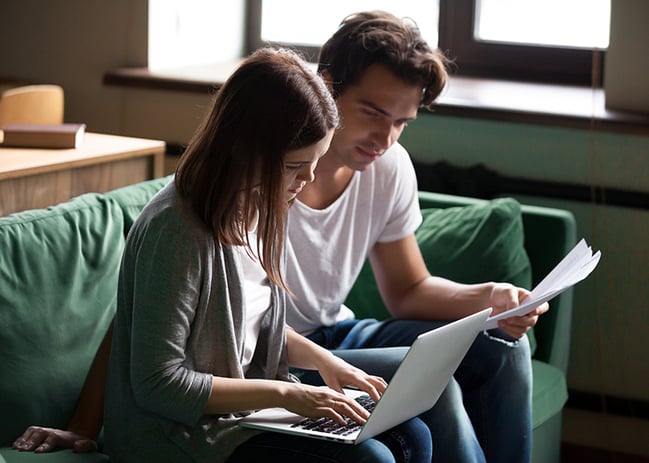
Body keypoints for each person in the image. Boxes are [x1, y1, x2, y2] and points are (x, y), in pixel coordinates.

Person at [14, 11, 547, 463]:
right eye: (296, 167)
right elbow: (149, 354)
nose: (308, 181)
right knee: (389, 441)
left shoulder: (263, 204)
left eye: (402, 122)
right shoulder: (190, 222)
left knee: (437, 405)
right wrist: (291, 393)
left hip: (275, 379)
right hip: (208, 419)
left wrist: (328, 365)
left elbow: (266, 321)